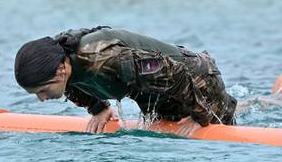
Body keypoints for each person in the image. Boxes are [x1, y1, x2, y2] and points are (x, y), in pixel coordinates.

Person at [14, 26, 237, 133]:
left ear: (60, 69)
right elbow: (70, 85)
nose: (41, 99)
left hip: (197, 79)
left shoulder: (108, 58)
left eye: (41, 91)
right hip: (161, 92)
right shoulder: (59, 58)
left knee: (220, 128)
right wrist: (97, 107)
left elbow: (175, 72)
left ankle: (267, 102)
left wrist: (200, 116)